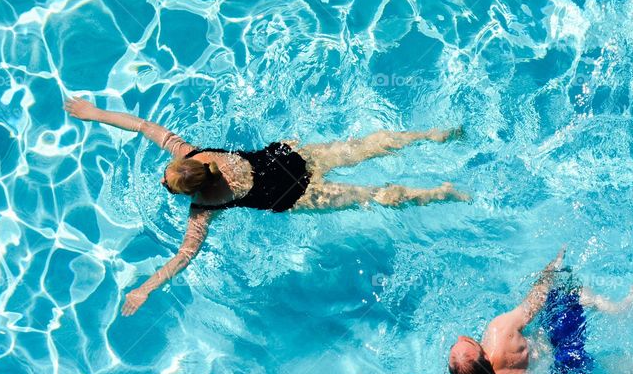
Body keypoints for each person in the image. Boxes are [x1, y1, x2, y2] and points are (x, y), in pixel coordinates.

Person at [63, 97, 468, 315]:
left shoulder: (203, 209)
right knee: (364, 147)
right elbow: (145, 125)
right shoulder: (200, 155)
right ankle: (433, 135)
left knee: (372, 196)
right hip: (289, 160)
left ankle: (442, 193)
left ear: (190, 190)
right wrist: (94, 112)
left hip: (295, 196)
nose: (162, 181)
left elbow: (184, 258)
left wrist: (145, 289)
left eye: (168, 184)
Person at [340, 247, 633, 374]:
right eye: (464, 344)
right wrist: (551, 268)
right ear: (483, 352)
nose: (459, 338)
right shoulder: (500, 334)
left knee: (604, 371)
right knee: (572, 291)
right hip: (556, 344)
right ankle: (623, 307)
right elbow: (535, 300)